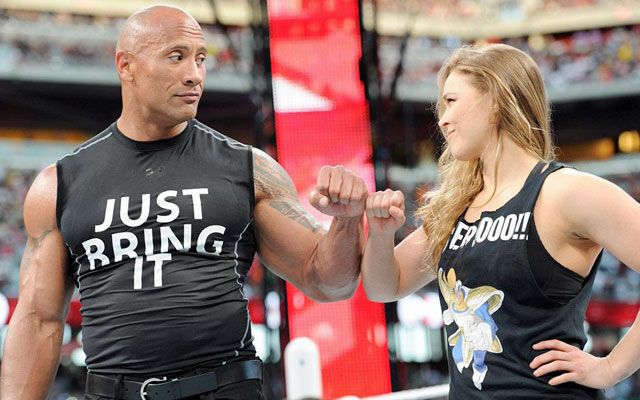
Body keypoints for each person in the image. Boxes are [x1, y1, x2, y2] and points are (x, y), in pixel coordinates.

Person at [1, 5, 368, 399]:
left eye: (201, 59)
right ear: (126, 65)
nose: (195, 74)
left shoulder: (249, 169)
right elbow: (38, 321)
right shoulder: (60, 184)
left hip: (225, 390)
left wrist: (347, 221)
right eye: (176, 57)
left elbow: (327, 281)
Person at [361, 43, 640, 398]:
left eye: (451, 101)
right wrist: (381, 235)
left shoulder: (565, 191)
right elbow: (383, 287)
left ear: (495, 101)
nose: (442, 120)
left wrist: (610, 368)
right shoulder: (455, 207)